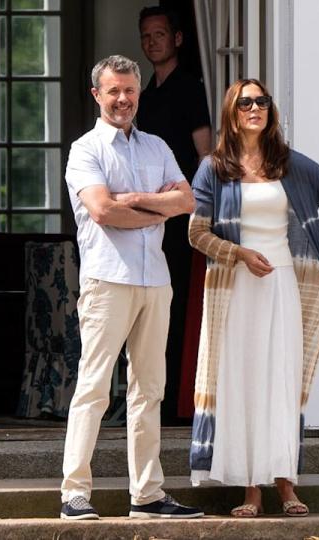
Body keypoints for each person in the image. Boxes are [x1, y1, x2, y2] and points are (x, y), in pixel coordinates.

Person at [187, 79, 319, 518]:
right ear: (231, 112)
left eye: (261, 101)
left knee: (280, 381)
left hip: (283, 283)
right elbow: (196, 232)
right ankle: (251, 490)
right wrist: (239, 254)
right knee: (243, 382)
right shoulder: (214, 168)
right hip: (236, 288)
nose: (254, 108)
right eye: (245, 102)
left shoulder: (289, 163)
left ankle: (286, 483)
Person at [59, 54, 203, 521]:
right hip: (107, 279)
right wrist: (156, 207)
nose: (123, 99)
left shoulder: (157, 146)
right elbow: (102, 211)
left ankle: (147, 494)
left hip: (155, 280)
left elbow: (187, 200)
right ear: (96, 95)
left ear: (138, 95)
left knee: (149, 390)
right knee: (94, 388)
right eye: (114, 91)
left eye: (130, 91)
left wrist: (138, 200)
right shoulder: (85, 150)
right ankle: (74, 493)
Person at [136, 5, 213, 423]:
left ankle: (178, 403)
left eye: (160, 34)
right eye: (146, 36)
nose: (152, 42)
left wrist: (196, 203)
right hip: (147, 217)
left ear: (178, 39)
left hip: (183, 215)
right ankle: (152, 399)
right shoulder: (143, 97)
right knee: (150, 303)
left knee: (179, 299)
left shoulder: (190, 89)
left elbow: (205, 153)